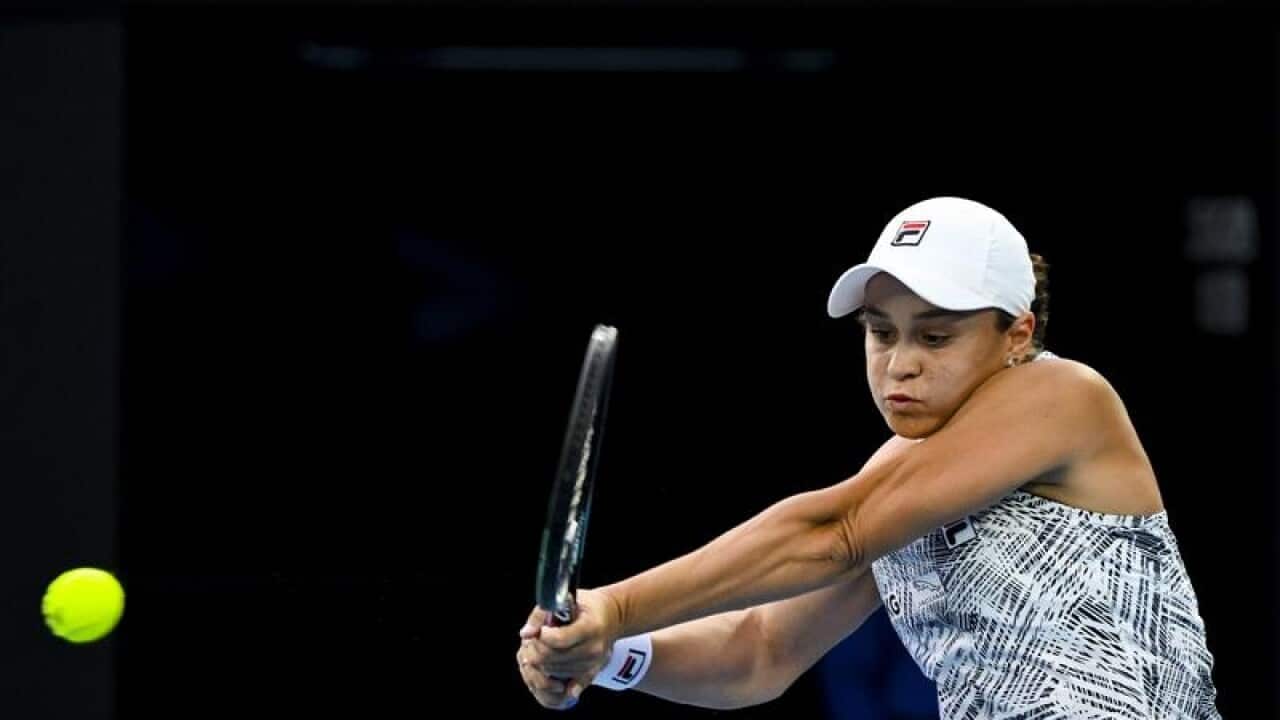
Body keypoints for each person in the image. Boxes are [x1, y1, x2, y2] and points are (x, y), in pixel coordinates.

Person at [515, 196, 1222, 719]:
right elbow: (759, 652)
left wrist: (617, 606)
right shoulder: (900, 480)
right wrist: (609, 652)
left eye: (935, 338)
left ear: (1017, 334)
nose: (899, 364)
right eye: (882, 333)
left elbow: (836, 532)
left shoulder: (1066, 396)